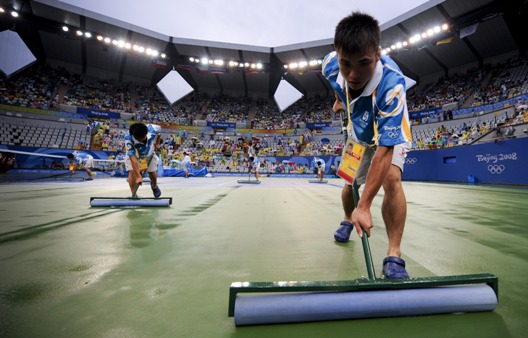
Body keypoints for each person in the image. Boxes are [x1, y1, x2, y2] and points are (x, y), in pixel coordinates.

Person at [322, 12, 412, 279]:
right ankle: (348, 218)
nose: (353, 74)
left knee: (392, 178)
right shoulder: (329, 65)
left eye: (363, 63)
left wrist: (366, 206)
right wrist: (340, 98)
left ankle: (393, 255)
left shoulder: (392, 85)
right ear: (337, 55)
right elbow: (340, 79)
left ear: (377, 54)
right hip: (358, 133)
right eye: (345, 63)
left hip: (390, 131)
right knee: (350, 184)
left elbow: (384, 150)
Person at [124, 122, 162, 198]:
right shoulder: (128, 139)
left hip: (149, 153)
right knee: (132, 172)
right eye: (139, 139)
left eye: (143, 138)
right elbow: (133, 160)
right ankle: (134, 195)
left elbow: (159, 132)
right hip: (135, 155)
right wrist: (138, 176)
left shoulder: (153, 129)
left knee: (152, 172)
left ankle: (154, 186)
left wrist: (157, 143)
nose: (142, 140)